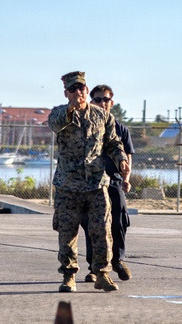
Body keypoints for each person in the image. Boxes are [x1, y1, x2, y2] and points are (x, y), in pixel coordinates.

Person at [47, 71, 129, 293]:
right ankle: (68, 275)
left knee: (102, 230)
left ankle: (102, 274)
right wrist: (71, 110)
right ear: (66, 93)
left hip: (95, 184)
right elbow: (54, 125)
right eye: (73, 89)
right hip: (68, 185)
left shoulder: (102, 116)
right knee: (67, 232)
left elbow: (112, 142)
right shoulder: (59, 114)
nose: (78, 92)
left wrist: (121, 159)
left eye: (81, 88)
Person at [82, 84, 134, 284]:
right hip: (92, 183)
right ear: (91, 101)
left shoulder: (120, 128)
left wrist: (126, 179)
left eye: (106, 99)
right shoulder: (86, 126)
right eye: (97, 99)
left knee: (119, 221)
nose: (102, 103)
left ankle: (118, 261)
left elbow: (127, 155)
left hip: (113, 182)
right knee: (91, 225)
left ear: (112, 102)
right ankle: (94, 268)